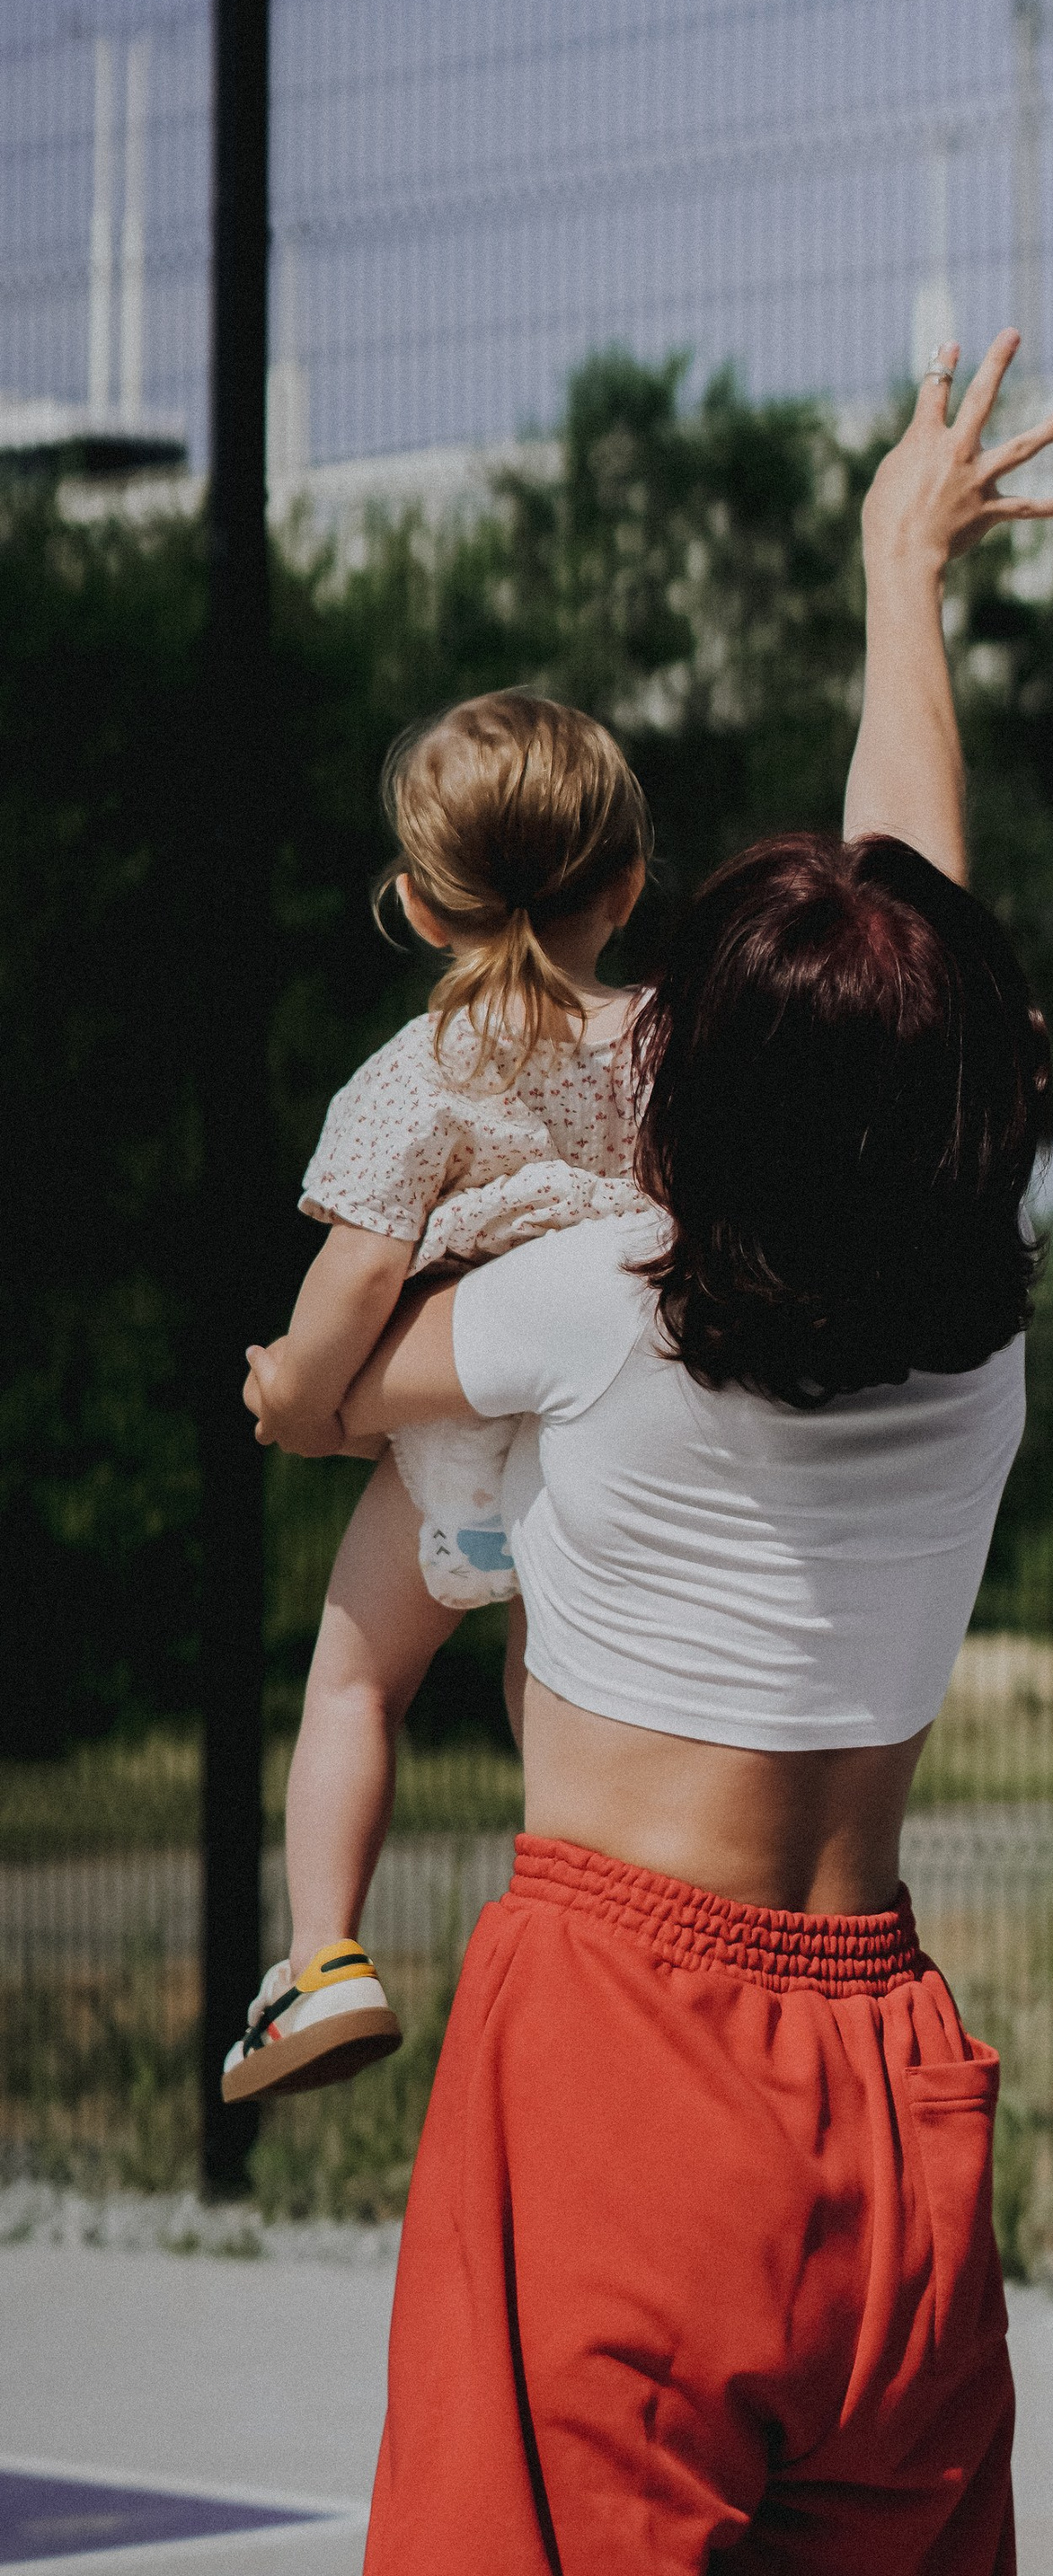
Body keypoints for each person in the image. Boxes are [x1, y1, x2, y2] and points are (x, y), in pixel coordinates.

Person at [247, 331, 1053, 2576]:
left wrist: (301, 1372)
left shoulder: (582, 1303)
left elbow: (325, 1392)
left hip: (625, 2041)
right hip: (892, 2086)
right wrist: (904, 573)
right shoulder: (975, 1325)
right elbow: (912, 926)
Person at [224, 689, 652, 2102]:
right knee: (556, 1695)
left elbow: (360, 1273)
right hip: (605, 1429)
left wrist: (298, 1392)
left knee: (357, 1682)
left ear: (417, 906)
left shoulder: (426, 1069)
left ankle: (322, 1964)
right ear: (630, 880)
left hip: (448, 1436)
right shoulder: (678, 1048)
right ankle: (593, 1956)